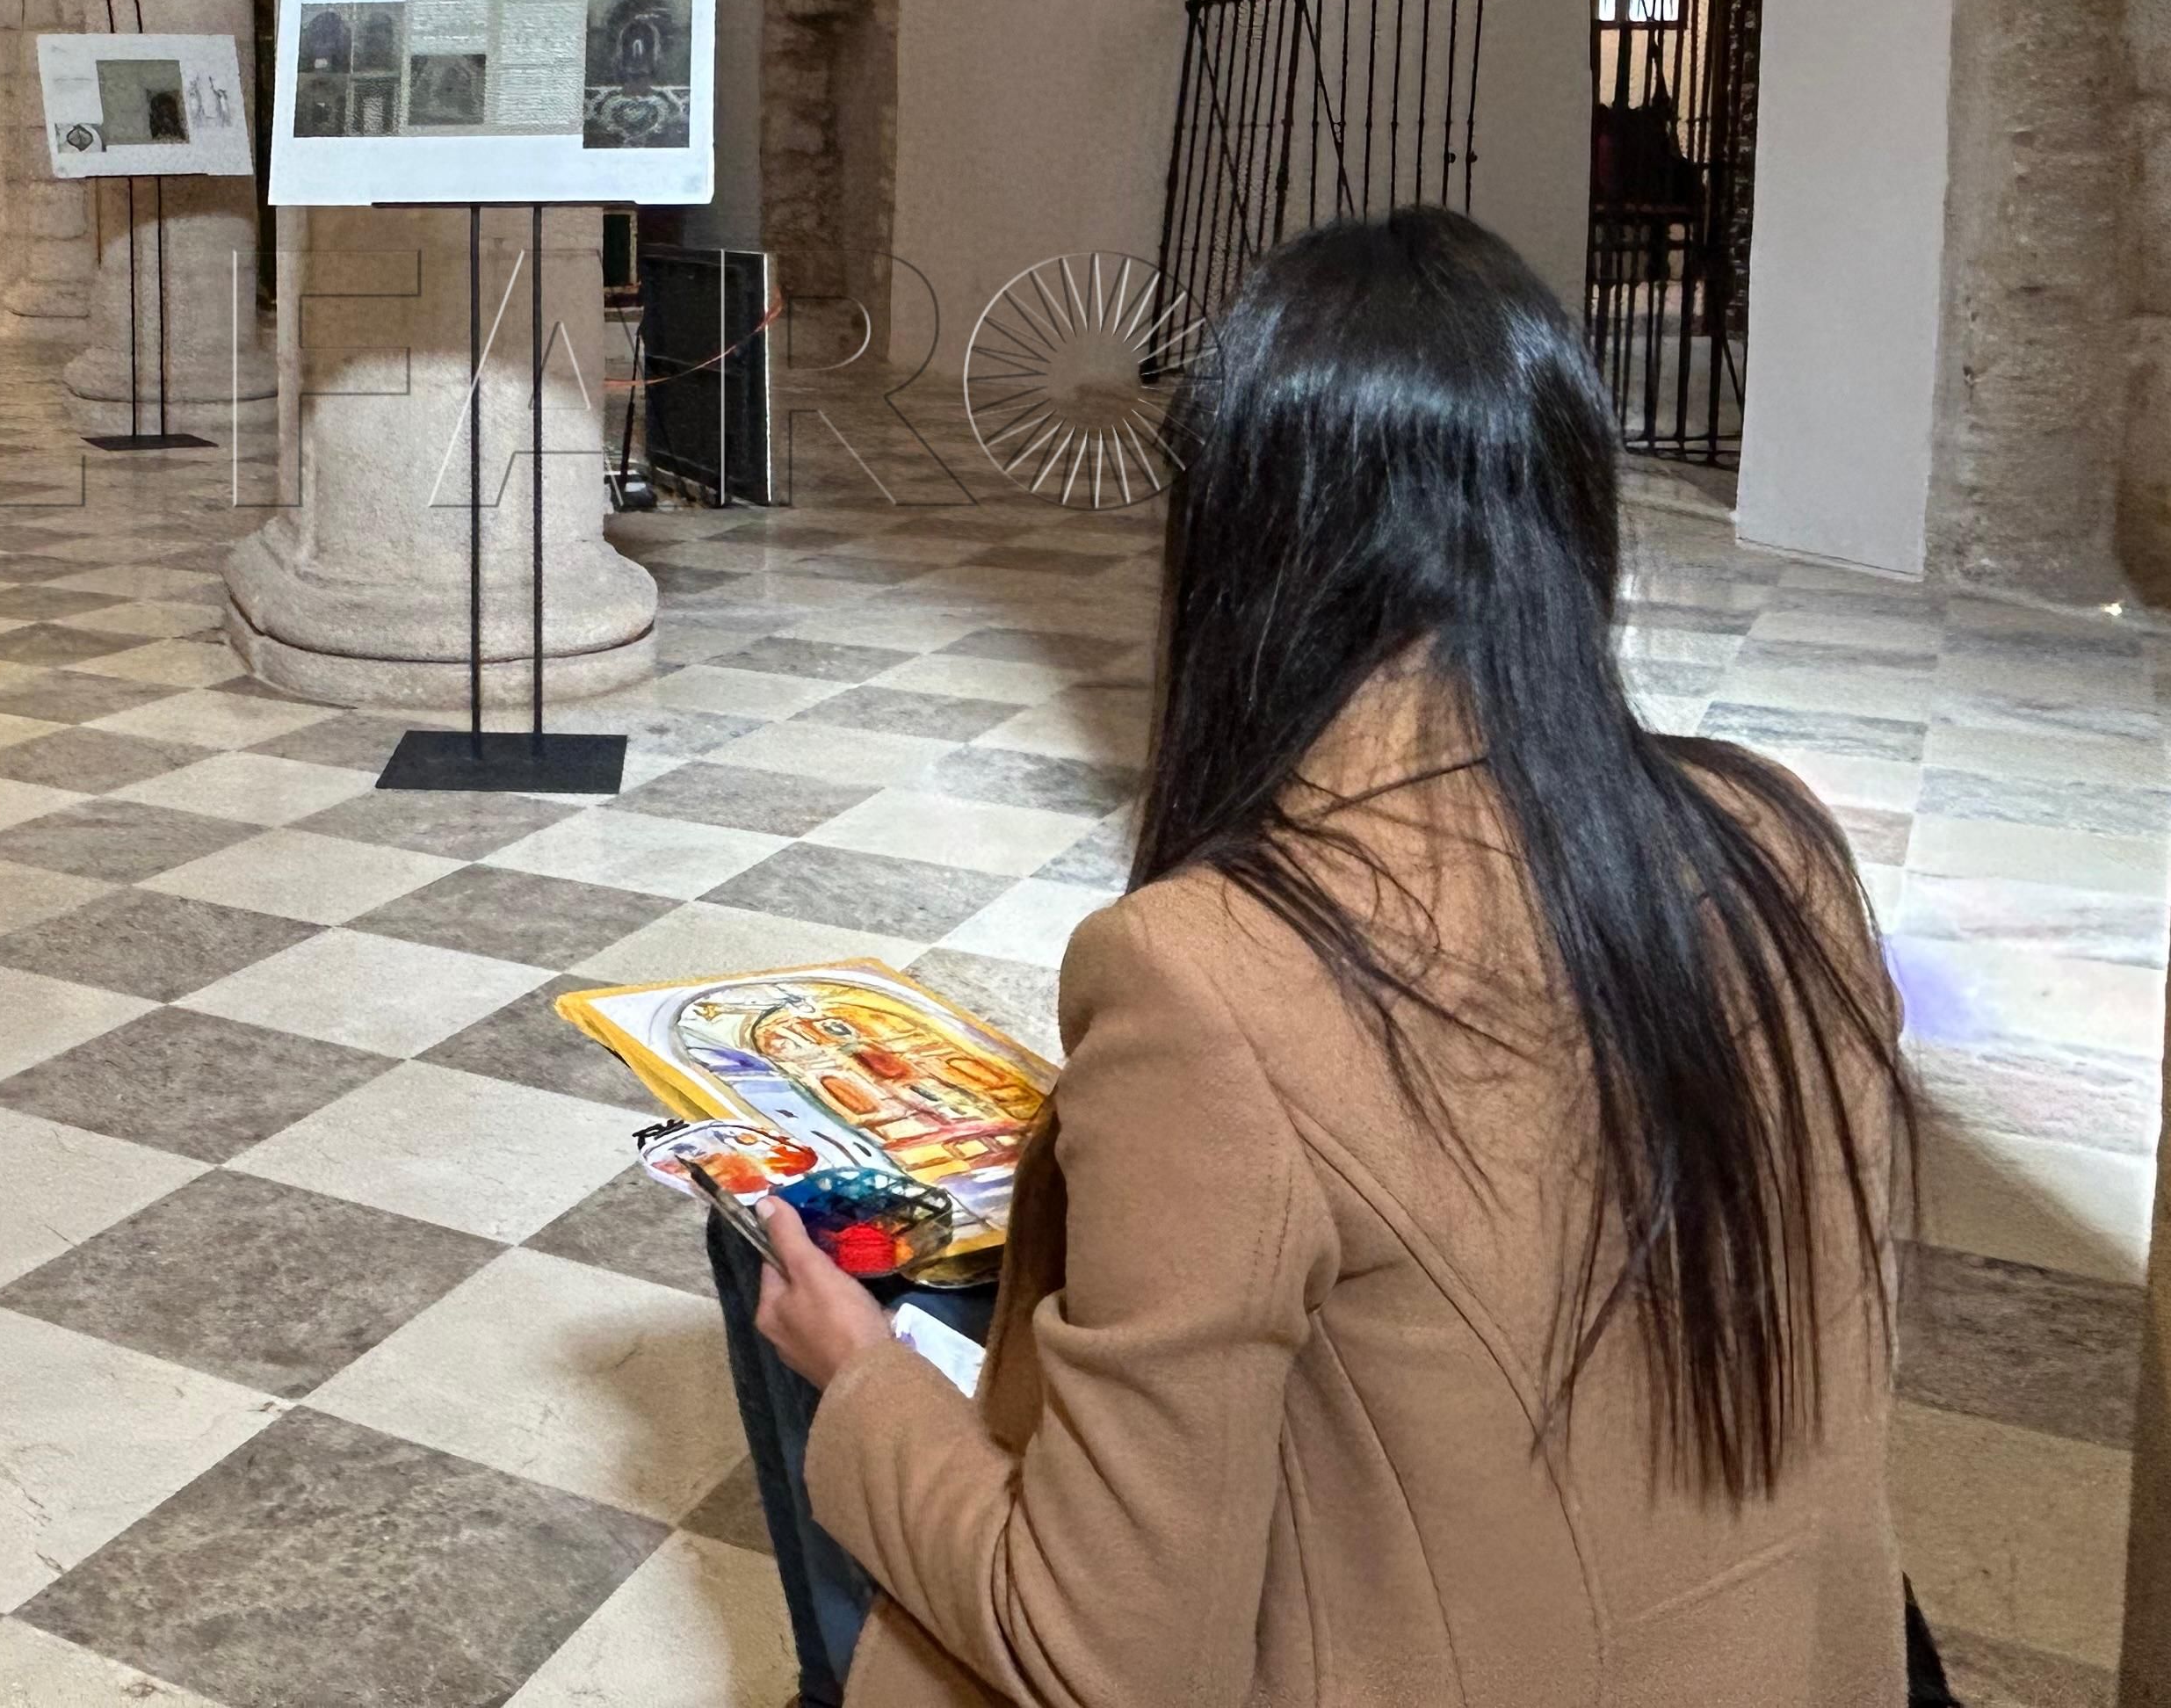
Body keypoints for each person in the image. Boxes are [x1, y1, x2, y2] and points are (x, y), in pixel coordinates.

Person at [717, 206, 1913, 1706]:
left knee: (786, 1276)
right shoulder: (1773, 836)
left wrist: (860, 1378)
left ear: (1237, 548)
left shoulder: (1208, 976)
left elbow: (1109, 1659)